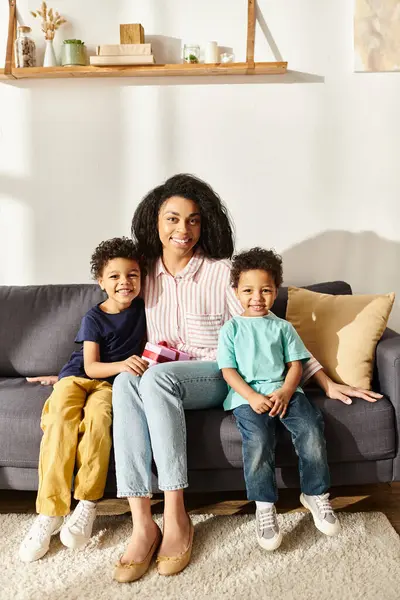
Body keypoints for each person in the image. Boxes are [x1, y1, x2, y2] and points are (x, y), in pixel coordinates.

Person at [110, 174, 381, 583]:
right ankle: (143, 522)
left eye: (193, 220)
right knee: (127, 382)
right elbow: (104, 318)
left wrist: (324, 380)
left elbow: (264, 334)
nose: (183, 230)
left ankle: (177, 514)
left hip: (215, 375)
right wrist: (70, 369)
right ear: (154, 222)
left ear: (205, 225)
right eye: (172, 219)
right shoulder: (143, 274)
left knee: (154, 381)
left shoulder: (223, 274)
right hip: (163, 372)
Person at [19, 237, 148, 563]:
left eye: (132, 275)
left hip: (107, 386)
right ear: (101, 282)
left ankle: (88, 503)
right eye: (115, 276)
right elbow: (90, 365)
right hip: (77, 378)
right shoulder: (94, 317)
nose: (124, 282)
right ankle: (50, 512)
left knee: (99, 424)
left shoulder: (147, 310)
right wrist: (123, 364)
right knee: (62, 422)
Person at [217, 247, 340, 551]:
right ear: (236, 291)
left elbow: (296, 364)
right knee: (258, 441)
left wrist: (286, 391)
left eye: (265, 290)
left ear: (275, 293)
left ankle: (315, 494)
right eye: (248, 290)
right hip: (247, 398)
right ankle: (264, 506)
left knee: (311, 430)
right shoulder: (231, 329)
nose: (256, 297)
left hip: (286, 392)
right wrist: (252, 397)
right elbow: (228, 371)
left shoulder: (283, 327)